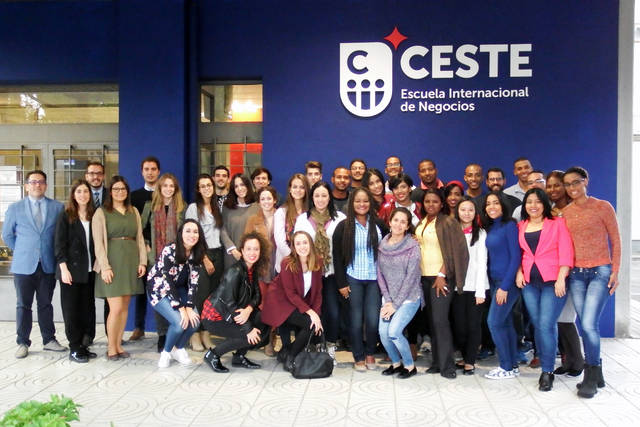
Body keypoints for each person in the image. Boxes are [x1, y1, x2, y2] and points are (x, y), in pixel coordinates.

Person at [562, 166, 621, 398]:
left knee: (588, 325)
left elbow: (616, 240)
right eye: (568, 184)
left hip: (600, 271)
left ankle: (590, 374)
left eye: (576, 182)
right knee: (585, 325)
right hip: (576, 275)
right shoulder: (565, 213)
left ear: (585, 181)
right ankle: (598, 373)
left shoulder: (603, 207)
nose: (572, 188)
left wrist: (615, 270)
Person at [515, 188, 574, 391]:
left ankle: (547, 371)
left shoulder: (557, 223)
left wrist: (561, 278)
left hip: (552, 282)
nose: (533, 205)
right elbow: (520, 253)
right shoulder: (521, 226)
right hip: (529, 284)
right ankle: (545, 361)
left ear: (544, 204)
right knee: (538, 325)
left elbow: (566, 251)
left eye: (538, 201)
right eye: (529, 201)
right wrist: (519, 272)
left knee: (546, 325)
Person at [3, 170, 65, 359]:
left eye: (41, 182)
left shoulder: (57, 207)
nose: (37, 185)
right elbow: (7, 235)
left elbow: (60, 235)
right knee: (23, 304)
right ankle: (22, 342)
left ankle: (49, 340)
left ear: (46, 185)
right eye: (33, 182)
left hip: (47, 264)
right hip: (24, 266)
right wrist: (24, 250)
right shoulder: (15, 208)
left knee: (45, 304)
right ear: (27, 186)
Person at [333, 188, 389, 371]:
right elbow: (337, 256)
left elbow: (393, 242)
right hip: (353, 278)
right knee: (355, 320)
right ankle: (358, 356)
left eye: (365, 201)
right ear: (352, 203)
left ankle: (370, 353)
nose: (362, 204)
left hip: (374, 280)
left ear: (370, 203)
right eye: (358, 201)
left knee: (372, 320)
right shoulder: (343, 226)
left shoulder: (379, 224)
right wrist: (341, 283)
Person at [415, 189, 468, 379]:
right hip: (424, 278)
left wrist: (442, 274)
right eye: (427, 201)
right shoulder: (422, 222)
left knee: (440, 321)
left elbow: (454, 251)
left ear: (442, 203)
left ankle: (448, 366)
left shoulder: (448, 222)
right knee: (432, 322)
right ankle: (437, 363)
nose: (431, 205)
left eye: (435, 201)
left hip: (441, 278)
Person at [92, 176, 146, 361]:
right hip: (112, 263)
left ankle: (118, 345)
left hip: (130, 262)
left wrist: (142, 262)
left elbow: (140, 238)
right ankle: (111, 347)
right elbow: (98, 243)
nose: (120, 192)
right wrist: (105, 267)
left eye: (123, 189)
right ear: (110, 192)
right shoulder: (101, 212)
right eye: (116, 189)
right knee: (115, 308)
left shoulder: (134, 211)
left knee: (124, 308)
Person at [201, 232, 271, 372]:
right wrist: (248, 329)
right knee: (248, 335)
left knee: (263, 320)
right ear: (242, 251)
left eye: (256, 249)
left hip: (233, 312)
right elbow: (230, 304)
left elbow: (257, 296)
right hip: (215, 316)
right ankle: (213, 355)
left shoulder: (252, 269)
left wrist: (248, 310)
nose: (252, 253)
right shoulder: (235, 271)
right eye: (248, 249)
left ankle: (239, 357)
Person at [294, 181, 346, 364]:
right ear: (312, 198)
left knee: (332, 312)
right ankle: (314, 345)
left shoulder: (340, 218)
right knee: (312, 310)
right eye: (317, 195)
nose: (320, 199)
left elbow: (345, 246)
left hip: (331, 273)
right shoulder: (303, 219)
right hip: (309, 273)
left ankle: (330, 345)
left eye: (324, 195)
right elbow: (297, 244)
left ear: (329, 197)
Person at [147, 220, 207, 368]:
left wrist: (189, 307)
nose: (192, 235)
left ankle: (178, 349)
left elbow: (193, 282)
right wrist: (181, 308)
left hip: (179, 289)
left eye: (195, 232)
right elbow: (167, 281)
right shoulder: (170, 250)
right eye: (188, 231)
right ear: (181, 233)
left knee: (195, 321)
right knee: (179, 323)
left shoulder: (197, 253)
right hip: (159, 289)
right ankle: (166, 352)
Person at [262, 231, 324, 372]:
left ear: (310, 244)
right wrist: (311, 313)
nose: (302, 246)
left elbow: (318, 292)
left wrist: (317, 315)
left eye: (305, 242)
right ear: (294, 247)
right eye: (298, 244)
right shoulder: (287, 263)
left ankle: (287, 352)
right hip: (280, 302)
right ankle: (291, 356)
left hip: (296, 302)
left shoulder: (317, 261)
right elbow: (290, 293)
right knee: (309, 324)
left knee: (313, 324)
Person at [141, 173, 186, 352]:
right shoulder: (150, 206)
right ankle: (162, 334)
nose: (168, 189)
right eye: (165, 185)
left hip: (177, 260)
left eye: (171, 186)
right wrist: (146, 246)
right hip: (156, 261)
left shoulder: (182, 207)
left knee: (176, 296)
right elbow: (141, 229)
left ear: (176, 189)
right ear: (159, 188)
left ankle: (176, 332)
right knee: (160, 297)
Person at [545, 170, 584, 377]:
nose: (553, 189)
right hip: (555, 269)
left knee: (567, 318)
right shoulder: (550, 212)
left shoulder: (574, 210)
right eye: (549, 186)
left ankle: (578, 362)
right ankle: (568, 360)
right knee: (559, 318)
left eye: (557, 185)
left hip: (574, 270)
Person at [377, 207, 423, 379]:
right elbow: (379, 274)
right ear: (390, 222)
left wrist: (395, 304)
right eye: (396, 220)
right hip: (389, 299)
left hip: (409, 298)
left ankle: (410, 366)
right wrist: (388, 300)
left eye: (403, 222)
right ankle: (396, 363)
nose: (398, 224)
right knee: (383, 333)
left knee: (394, 332)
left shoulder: (413, 246)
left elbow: (411, 278)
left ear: (407, 226)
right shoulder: (382, 245)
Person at [54, 180, 97, 363]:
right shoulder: (66, 215)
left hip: (89, 271)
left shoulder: (95, 215)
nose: (82, 195)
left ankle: (83, 345)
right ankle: (74, 347)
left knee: (87, 309)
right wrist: (63, 268)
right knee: (71, 310)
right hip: (70, 271)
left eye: (86, 191)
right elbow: (59, 244)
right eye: (79, 191)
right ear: (73, 194)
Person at [482, 192, 521, 379]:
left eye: (496, 203)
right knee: (505, 323)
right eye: (488, 204)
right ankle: (512, 365)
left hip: (507, 283)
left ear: (503, 205)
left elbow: (515, 257)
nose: (492, 207)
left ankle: (505, 366)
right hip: (495, 281)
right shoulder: (490, 227)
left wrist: (505, 286)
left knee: (494, 323)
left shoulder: (510, 225)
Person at [185, 174, 224, 352]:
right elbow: (192, 237)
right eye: (203, 186)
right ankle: (194, 334)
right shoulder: (193, 208)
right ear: (198, 190)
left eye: (209, 185)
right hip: (201, 255)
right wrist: (205, 259)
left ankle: (206, 333)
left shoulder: (217, 207)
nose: (207, 188)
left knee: (211, 299)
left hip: (218, 254)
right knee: (199, 297)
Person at [452, 197, 489, 375]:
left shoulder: (480, 233)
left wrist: (480, 291)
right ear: (457, 211)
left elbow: (482, 263)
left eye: (470, 210)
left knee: (473, 325)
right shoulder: (452, 231)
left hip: (475, 287)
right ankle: (464, 355)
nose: (466, 213)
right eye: (463, 209)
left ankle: (470, 361)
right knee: (459, 326)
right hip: (457, 287)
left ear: (476, 213)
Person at [129, 156, 161, 342]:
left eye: (153, 169)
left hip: (161, 249)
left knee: (160, 290)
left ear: (158, 172)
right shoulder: (134, 196)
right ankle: (138, 327)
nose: (150, 172)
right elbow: (132, 224)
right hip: (141, 248)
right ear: (142, 172)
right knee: (140, 289)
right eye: (147, 169)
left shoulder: (165, 194)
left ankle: (162, 329)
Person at [244, 186, 278, 356]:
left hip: (278, 267)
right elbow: (246, 244)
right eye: (263, 198)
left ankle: (272, 338)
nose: (266, 201)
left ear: (275, 200)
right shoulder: (253, 219)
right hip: (262, 269)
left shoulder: (282, 216)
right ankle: (263, 338)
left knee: (277, 305)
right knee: (263, 304)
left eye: (269, 198)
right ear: (259, 202)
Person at [221, 174, 259, 269]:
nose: (240, 189)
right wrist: (233, 250)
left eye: (242, 185)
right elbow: (222, 229)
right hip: (232, 255)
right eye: (236, 186)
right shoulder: (227, 206)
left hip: (252, 255)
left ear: (248, 185)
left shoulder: (257, 206)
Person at [274, 173, 309, 274]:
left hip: (307, 265)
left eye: (302, 187)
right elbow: (280, 242)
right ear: (290, 189)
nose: (298, 190)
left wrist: (305, 261)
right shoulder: (281, 212)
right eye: (295, 187)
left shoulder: (310, 212)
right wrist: (296, 260)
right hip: (286, 264)